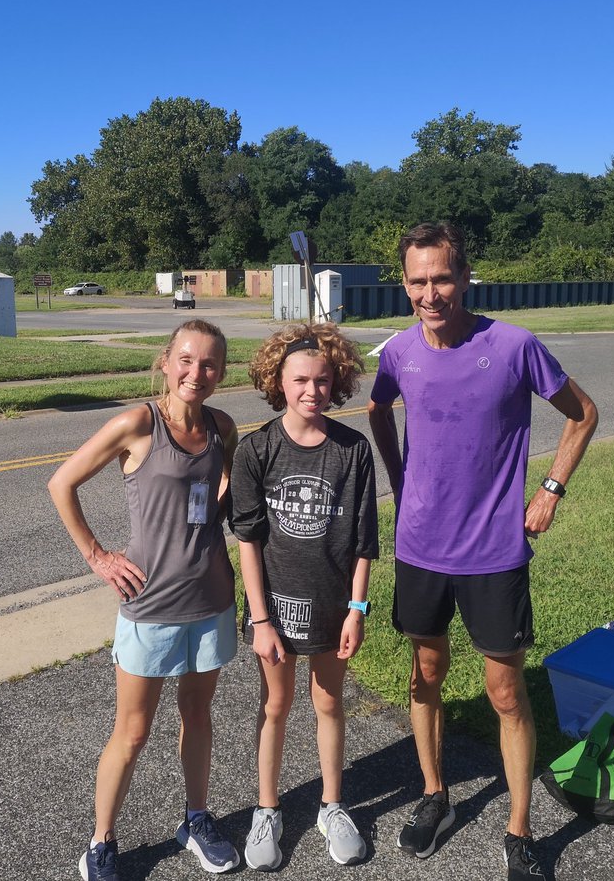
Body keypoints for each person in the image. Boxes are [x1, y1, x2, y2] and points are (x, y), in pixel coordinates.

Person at [367, 222, 598, 879]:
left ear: (466, 278)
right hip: (420, 547)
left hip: (494, 550)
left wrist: (551, 489)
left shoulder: (514, 345)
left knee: (504, 690)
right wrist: (397, 477)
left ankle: (519, 829)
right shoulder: (397, 353)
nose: (431, 293)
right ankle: (434, 794)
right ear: (405, 284)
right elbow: (379, 411)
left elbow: (583, 414)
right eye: (418, 281)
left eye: (443, 278)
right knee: (426, 675)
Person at [48, 319, 242, 881]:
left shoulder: (220, 427)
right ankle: (101, 841)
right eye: (186, 360)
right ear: (165, 362)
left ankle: (196, 819)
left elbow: (222, 489)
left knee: (198, 716)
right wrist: (99, 557)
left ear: (220, 373)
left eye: (208, 365)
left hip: (212, 600)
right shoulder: (138, 424)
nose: (195, 373)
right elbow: (62, 484)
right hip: (150, 606)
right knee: (132, 733)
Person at [230, 323, 379, 870]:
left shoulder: (352, 451)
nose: (311, 391)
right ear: (278, 381)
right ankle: (266, 809)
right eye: (299, 380)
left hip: (334, 606)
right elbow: (247, 541)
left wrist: (357, 609)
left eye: (321, 380)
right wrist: (260, 620)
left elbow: (364, 541)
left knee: (328, 703)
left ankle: (331, 805)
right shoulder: (257, 450)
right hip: (276, 608)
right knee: (275, 705)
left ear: (336, 382)